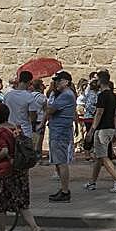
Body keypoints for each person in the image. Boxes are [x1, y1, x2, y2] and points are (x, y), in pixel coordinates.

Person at [0, 102, 46, 231]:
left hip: (6, 170)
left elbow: (4, 151)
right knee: (22, 202)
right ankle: (34, 228)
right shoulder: (15, 127)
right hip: (20, 169)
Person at [84, 71, 116, 192]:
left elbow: (99, 113)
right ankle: (92, 182)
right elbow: (114, 115)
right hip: (109, 128)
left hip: (102, 129)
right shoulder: (113, 96)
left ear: (100, 81)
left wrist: (91, 130)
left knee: (103, 156)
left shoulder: (102, 95)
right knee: (99, 156)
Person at [45, 71, 76, 202]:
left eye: (59, 80)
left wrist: (45, 105)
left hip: (60, 132)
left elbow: (50, 110)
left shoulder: (66, 95)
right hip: (58, 131)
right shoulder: (63, 95)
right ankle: (63, 189)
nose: (56, 83)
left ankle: (65, 191)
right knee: (58, 162)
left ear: (66, 82)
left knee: (61, 162)